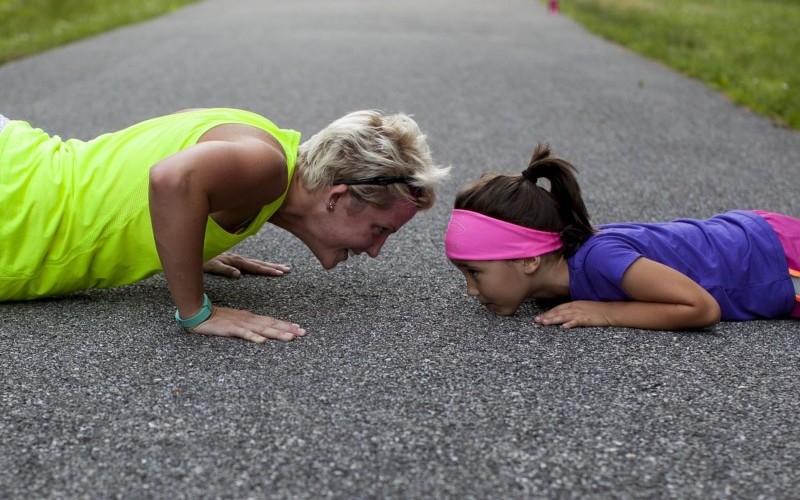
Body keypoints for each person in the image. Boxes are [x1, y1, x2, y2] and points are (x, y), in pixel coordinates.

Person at [0, 108, 449, 342]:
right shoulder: (267, 167)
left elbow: (148, 170)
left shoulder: (265, 148)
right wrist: (197, 311)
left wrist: (186, 241)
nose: (375, 251)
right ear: (338, 197)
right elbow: (171, 178)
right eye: (380, 230)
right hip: (15, 203)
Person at [444, 142, 800, 331]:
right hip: (757, 236)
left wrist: (606, 313)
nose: (471, 290)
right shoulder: (555, 281)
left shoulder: (600, 259)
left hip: (776, 258)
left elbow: (702, 308)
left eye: (475, 272)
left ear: (528, 259)